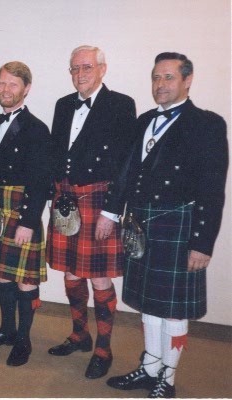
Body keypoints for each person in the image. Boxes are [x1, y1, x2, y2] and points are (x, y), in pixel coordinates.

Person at [105, 52, 228, 398]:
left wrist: (203, 242)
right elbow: (127, 173)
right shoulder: (143, 120)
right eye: (156, 77)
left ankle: (168, 377)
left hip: (178, 226)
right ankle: (150, 366)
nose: (160, 84)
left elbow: (212, 188)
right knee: (149, 302)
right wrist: (115, 213)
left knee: (172, 306)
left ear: (188, 80)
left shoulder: (207, 124)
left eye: (169, 77)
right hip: (143, 223)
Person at [46, 45, 137, 379]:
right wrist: (51, 195)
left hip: (100, 200)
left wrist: (112, 212)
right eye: (74, 68)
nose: (79, 74)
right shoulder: (62, 104)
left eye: (85, 67)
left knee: (99, 276)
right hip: (66, 198)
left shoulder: (121, 105)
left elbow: (127, 162)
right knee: (70, 272)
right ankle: (80, 334)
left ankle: (104, 347)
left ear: (102, 69)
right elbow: (57, 151)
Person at [0, 62, 54, 366]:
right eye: (1, 83)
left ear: (26, 89)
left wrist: (29, 222)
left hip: (22, 209)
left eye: (13, 85)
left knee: (25, 280)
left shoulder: (37, 129)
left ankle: (23, 340)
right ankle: (6, 330)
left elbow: (41, 180)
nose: (5, 90)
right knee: (3, 272)